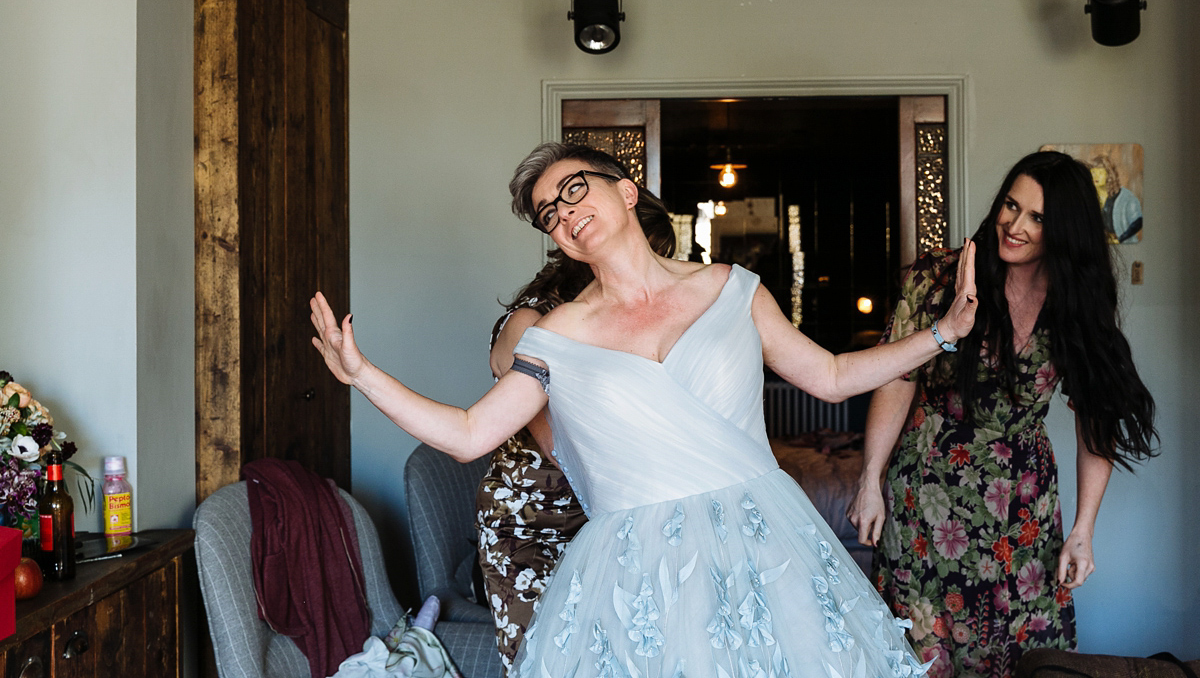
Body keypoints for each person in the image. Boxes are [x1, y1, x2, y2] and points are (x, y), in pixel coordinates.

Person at [310, 142, 979, 678]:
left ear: (625, 192)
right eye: (549, 213)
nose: (565, 213)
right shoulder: (558, 334)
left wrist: (941, 334)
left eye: (576, 190)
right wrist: (362, 374)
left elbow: (831, 377)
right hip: (634, 567)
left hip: (762, 543)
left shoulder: (730, 287)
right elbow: (468, 433)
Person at [847, 151, 1157, 678]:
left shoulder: (1075, 302)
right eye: (1011, 206)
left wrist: (1083, 529)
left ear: (1065, 230)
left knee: (1025, 659)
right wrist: (870, 478)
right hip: (928, 497)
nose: (1014, 225)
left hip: (1023, 508)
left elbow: (1095, 420)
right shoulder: (940, 277)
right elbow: (898, 378)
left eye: (1037, 217)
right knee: (921, 659)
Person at [477, 184, 677, 675]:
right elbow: (556, 439)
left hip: (607, 513)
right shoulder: (533, 323)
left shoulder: (623, 327)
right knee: (546, 658)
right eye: (653, 255)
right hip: (533, 523)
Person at [1088, 154, 1142, 243]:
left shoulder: (1125, 197)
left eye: (1100, 173)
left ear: (1109, 175)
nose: (1096, 176)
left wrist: (1121, 238)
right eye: (1093, 172)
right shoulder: (1089, 196)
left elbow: (1138, 221)